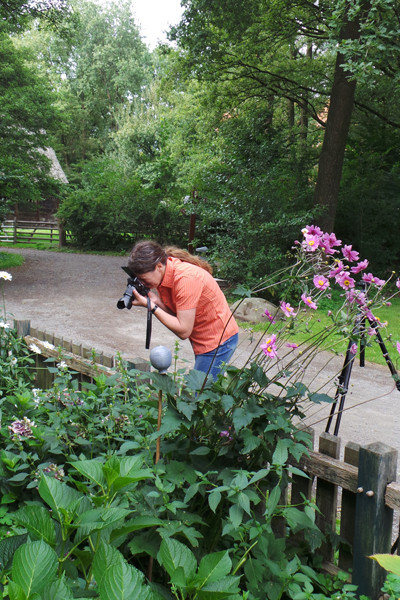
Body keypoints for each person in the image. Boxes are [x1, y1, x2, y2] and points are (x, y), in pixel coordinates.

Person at [127, 240, 239, 380]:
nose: (143, 283)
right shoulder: (164, 274)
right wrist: (156, 301)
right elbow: (178, 315)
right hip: (203, 339)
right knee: (207, 392)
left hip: (218, 341)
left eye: (143, 279)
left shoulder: (185, 279)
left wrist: (152, 307)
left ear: (159, 266)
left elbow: (184, 330)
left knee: (199, 395)